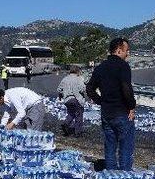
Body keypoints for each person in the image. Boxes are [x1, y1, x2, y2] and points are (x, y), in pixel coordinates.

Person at [86, 38, 136, 171]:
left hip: (106, 114)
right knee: (126, 148)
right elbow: (126, 88)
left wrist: (101, 101)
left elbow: (89, 89)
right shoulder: (123, 66)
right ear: (119, 50)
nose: (128, 54)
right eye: (126, 51)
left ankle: (110, 178)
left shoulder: (100, 67)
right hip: (122, 113)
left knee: (110, 147)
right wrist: (131, 106)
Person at [57, 65, 86, 137]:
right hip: (76, 99)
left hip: (67, 100)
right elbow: (82, 89)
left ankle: (66, 123)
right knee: (79, 116)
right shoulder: (79, 78)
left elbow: (59, 89)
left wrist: (61, 96)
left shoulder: (65, 79)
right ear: (77, 71)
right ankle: (77, 133)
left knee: (71, 113)